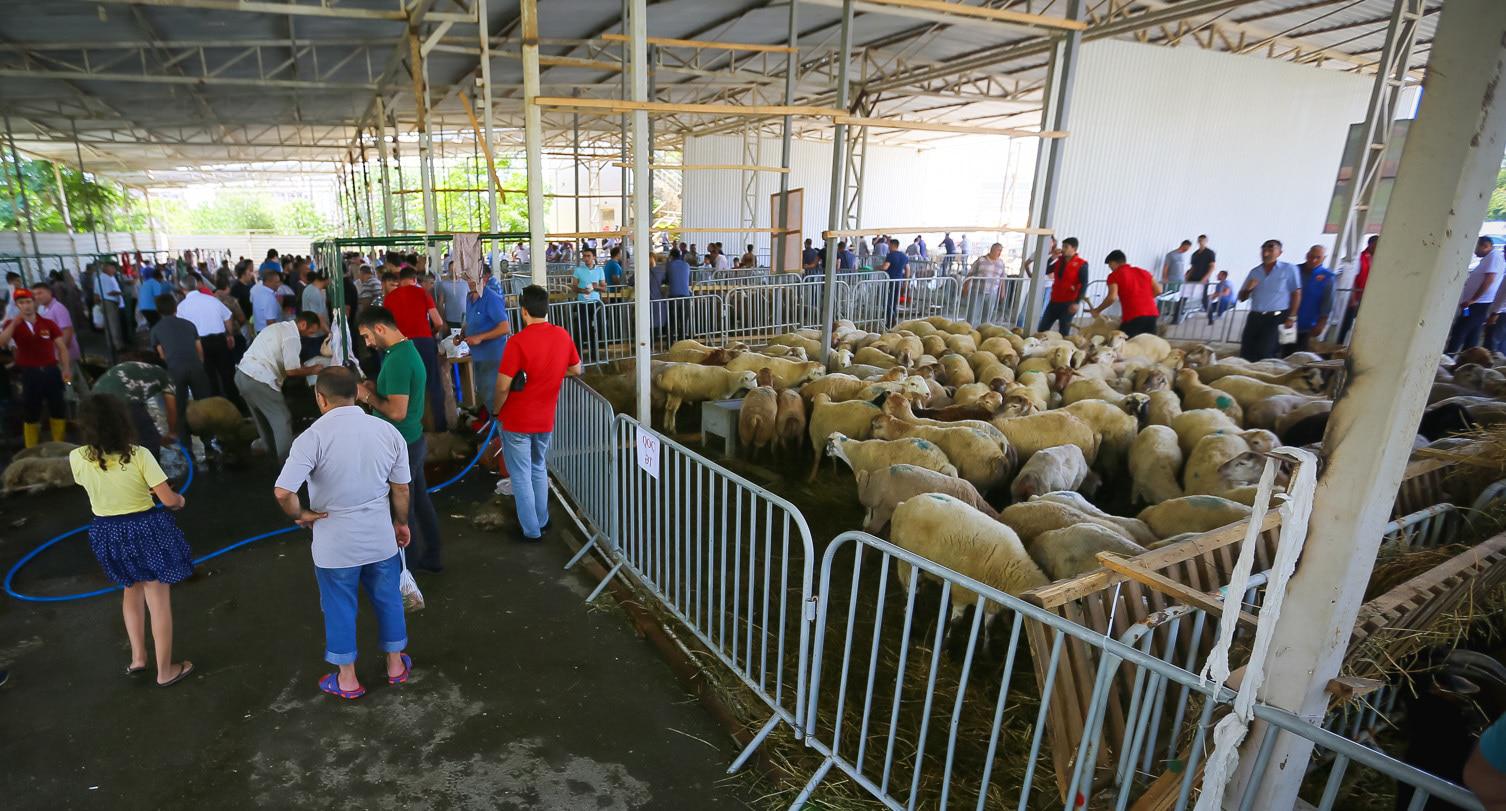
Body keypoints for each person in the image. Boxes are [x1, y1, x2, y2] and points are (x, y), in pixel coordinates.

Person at [273, 367, 414, 700]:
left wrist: (300, 514)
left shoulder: (312, 438)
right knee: (389, 599)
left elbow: (283, 492)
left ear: (320, 398)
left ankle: (347, 679)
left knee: (339, 607)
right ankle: (396, 665)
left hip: (334, 545)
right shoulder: (387, 431)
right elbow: (401, 488)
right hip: (380, 539)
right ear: (357, 393)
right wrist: (401, 522)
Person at [67, 393, 194, 687]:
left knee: (130, 590)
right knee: (157, 599)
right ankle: (165, 671)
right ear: (122, 421)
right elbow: (168, 500)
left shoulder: (77, 457)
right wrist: (179, 500)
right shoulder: (139, 455)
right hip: (144, 529)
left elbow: (100, 485)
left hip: (107, 533)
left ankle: (138, 658)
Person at [356, 307, 445, 573]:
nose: (367, 343)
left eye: (367, 336)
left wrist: (366, 396)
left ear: (380, 328)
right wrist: (376, 388)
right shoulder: (403, 351)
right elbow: (399, 394)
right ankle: (432, 557)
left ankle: (409, 568)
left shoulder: (398, 360)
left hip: (400, 443)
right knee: (419, 502)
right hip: (411, 439)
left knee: (402, 509)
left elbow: (397, 411)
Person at [494, 285, 583, 542]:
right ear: (546, 309)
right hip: (545, 419)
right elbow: (577, 369)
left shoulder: (517, 342)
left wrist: (496, 410)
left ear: (524, 312)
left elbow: (502, 386)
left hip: (516, 420)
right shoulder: (562, 335)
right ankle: (542, 520)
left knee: (520, 475)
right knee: (538, 467)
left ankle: (531, 530)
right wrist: (551, 373)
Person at [234, 311, 324, 462]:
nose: (310, 335)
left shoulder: (278, 327)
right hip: (260, 379)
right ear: (303, 324)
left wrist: (303, 367)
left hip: (242, 375)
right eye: (311, 331)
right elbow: (291, 371)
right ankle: (287, 464)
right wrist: (313, 369)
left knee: (263, 420)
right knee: (282, 419)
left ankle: (271, 458)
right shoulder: (292, 336)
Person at [1, 288, 73, 446]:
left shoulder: (48, 323)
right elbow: (2, 341)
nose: (26, 306)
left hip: (51, 370)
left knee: (57, 407)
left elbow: (62, 348)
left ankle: (59, 445)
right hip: (29, 373)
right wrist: (14, 323)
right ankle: (31, 448)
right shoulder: (11, 324)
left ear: (34, 303)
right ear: (17, 305)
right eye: (21, 303)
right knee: (31, 410)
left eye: (28, 302)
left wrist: (66, 368)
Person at [383, 267, 448, 432]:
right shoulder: (423, 294)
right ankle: (441, 426)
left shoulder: (390, 298)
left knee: (405, 385)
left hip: (401, 345)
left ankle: (410, 426)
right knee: (433, 383)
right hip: (424, 342)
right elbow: (438, 322)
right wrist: (431, 332)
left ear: (400, 280)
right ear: (415, 279)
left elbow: (387, 326)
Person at [149, 294, 211, 444]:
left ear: (158, 310)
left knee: (179, 408)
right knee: (204, 404)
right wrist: (199, 365)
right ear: (175, 308)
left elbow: (162, 355)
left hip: (175, 370)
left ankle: (186, 444)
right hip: (195, 367)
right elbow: (199, 349)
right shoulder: (189, 324)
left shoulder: (156, 330)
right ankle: (208, 443)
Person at [1238, 239, 1303, 361]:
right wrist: (1248, 289)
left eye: (1270, 250)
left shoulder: (1289, 269)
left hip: (1276, 317)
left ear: (1280, 252)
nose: (1266, 253)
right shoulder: (1255, 272)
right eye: (1263, 250)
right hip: (1255, 316)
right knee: (1247, 350)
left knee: (1266, 350)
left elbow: (1296, 293)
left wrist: (1292, 317)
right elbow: (1242, 298)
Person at [177, 274, 237, 400]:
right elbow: (228, 317)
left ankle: (216, 404)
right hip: (220, 340)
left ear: (182, 289)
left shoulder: (181, 307)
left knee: (209, 376)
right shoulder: (212, 299)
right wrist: (230, 335)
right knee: (227, 374)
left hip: (199, 344)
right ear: (196, 285)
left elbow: (182, 330)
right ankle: (235, 403)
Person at [461, 272, 512, 416]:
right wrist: (462, 334)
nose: (470, 282)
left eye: (474, 278)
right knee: (484, 394)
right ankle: (491, 425)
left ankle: (498, 428)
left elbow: (505, 327)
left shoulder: (491, 298)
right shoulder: (469, 297)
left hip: (492, 357)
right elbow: (469, 321)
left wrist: (480, 337)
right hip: (478, 356)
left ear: (484, 279)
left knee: (492, 398)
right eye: (468, 278)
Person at [1447, 237, 1503, 353]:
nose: (1475, 252)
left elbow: (1489, 279)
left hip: (1477, 304)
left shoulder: (1493, 257)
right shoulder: (1490, 257)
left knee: (1460, 329)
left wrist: (1473, 299)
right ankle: (1467, 356)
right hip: (1474, 304)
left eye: (1476, 248)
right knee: (1472, 332)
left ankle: (1450, 355)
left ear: (1485, 246)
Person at [31, 281, 86, 393]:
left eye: (40, 293)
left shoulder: (58, 308)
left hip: (64, 355)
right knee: (76, 381)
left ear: (49, 292)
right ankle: (87, 398)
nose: (37, 297)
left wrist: (61, 353)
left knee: (68, 383)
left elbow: (67, 331)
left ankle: (73, 400)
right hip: (59, 354)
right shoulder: (46, 310)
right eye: (35, 294)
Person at [1091, 250, 1161, 337]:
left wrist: (1097, 310)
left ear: (1113, 263)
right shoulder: (1144, 272)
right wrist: (1144, 299)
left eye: (1110, 265)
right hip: (1152, 314)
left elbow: (1112, 297)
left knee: (1122, 342)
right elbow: (1158, 290)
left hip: (1133, 315)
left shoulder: (1114, 275)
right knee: (1148, 343)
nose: (1110, 268)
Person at [1039, 237, 1088, 336]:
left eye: (1066, 247)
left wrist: (1077, 303)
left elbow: (1084, 284)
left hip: (1069, 303)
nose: (1063, 249)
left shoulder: (1081, 264)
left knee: (1064, 331)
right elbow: (1044, 270)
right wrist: (1052, 258)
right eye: (1063, 246)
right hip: (1054, 301)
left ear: (1074, 249)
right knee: (1042, 329)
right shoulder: (1059, 262)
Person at [1290, 244, 1334, 352]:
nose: (1314, 260)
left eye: (1318, 257)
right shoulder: (1294, 270)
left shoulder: (1328, 277)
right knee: (1282, 352)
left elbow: (1327, 301)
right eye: (1311, 256)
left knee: (1300, 354)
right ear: (1307, 255)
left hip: (1309, 324)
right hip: (1288, 321)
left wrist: (1321, 323)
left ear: (1324, 258)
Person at [1339, 235, 1378, 343]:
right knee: (1347, 324)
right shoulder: (1360, 258)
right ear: (1370, 245)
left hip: (1368, 297)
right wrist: (1353, 299)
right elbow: (1352, 279)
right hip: (1356, 297)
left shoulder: (1377, 259)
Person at [570, 248, 605, 363]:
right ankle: (578, 356)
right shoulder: (578, 270)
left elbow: (604, 287)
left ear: (594, 257)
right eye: (584, 256)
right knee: (581, 329)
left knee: (596, 329)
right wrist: (582, 290)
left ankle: (595, 354)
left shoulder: (599, 270)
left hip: (596, 304)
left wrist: (596, 287)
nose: (586, 258)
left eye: (588, 256)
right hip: (582, 304)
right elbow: (574, 287)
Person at [962, 243, 1007, 325]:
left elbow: (1002, 279)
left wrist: (1002, 292)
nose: (1000, 253)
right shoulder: (981, 260)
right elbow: (970, 274)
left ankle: (984, 330)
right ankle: (970, 329)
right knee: (972, 314)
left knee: (987, 316)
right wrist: (965, 287)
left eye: (1001, 251)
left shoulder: (1001, 263)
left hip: (992, 292)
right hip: (978, 291)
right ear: (992, 250)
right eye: (998, 250)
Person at [94, 260, 126, 351]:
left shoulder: (100, 278)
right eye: (113, 268)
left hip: (104, 302)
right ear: (107, 268)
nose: (115, 270)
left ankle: (111, 344)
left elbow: (96, 294)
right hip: (110, 303)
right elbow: (110, 292)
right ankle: (118, 346)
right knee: (114, 325)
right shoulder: (105, 278)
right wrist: (121, 293)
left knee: (108, 326)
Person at [879, 237, 910, 326]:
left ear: (892, 245)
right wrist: (906, 281)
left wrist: (876, 267)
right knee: (894, 301)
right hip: (899, 281)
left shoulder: (891, 255)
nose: (888, 247)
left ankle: (890, 320)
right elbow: (908, 269)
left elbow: (885, 267)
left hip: (890, 281)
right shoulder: (904, 256)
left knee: (887, 301)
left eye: (889, 245)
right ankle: (894, 318)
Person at [1162, 240, 1193, 320]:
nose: (1187, 250)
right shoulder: (1171, 254)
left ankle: (1175, 313)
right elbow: (1166, 267)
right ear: (1183, 245)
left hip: (1181, 280)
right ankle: (1167, 312)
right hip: (1172, 279)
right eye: (1187, 248)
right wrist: (1165, 278)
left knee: (1178, 297)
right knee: (1170, 297)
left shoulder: (1183, 255)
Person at [1187, 234, 1216, 311]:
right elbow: (1192, 267)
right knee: (1184, 296)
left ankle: (1210, 316)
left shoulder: (1210, 253)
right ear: (1198, 241)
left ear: (1206, 241)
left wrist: (1205, 278)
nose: (1201, 242)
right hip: (1192, 278)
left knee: (1204, 299)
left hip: (1203, 278)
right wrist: (1187, 278)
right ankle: (1176, 316)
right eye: (1200, 240)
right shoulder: (1195, 254)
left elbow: (1212, 267)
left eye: (1203, 240)